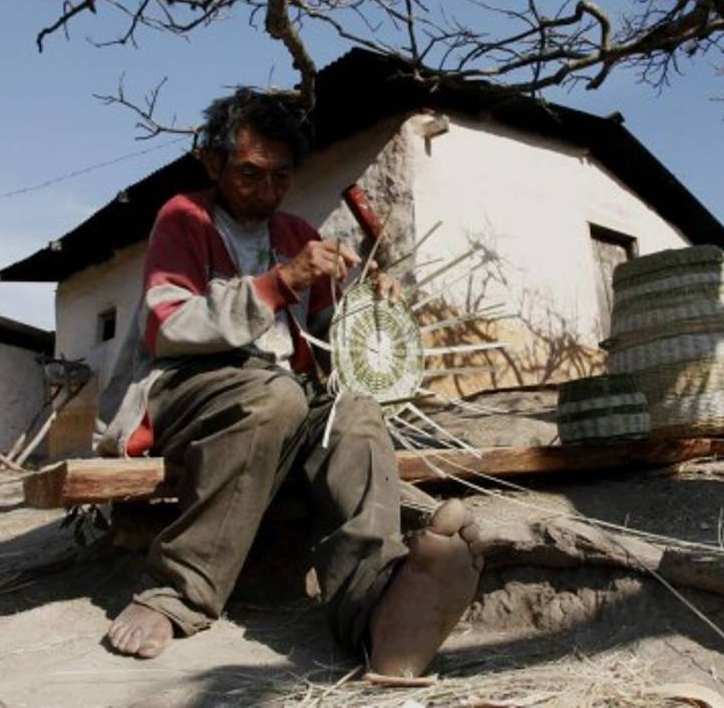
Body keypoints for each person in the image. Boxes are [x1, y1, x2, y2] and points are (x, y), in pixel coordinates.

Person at [94, 88, 483, 676]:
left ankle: (376, 611)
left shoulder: (298, 231)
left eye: (281, 176)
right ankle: (176, 593)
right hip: (190, 392)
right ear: (213, 162)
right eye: (251, 173)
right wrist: (279, 283)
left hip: (288, 398)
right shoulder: (185, 217)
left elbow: (331, 335)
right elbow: (165, 324)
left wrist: (374, 306)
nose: (267, 190)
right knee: (272, 396)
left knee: (354, 411)